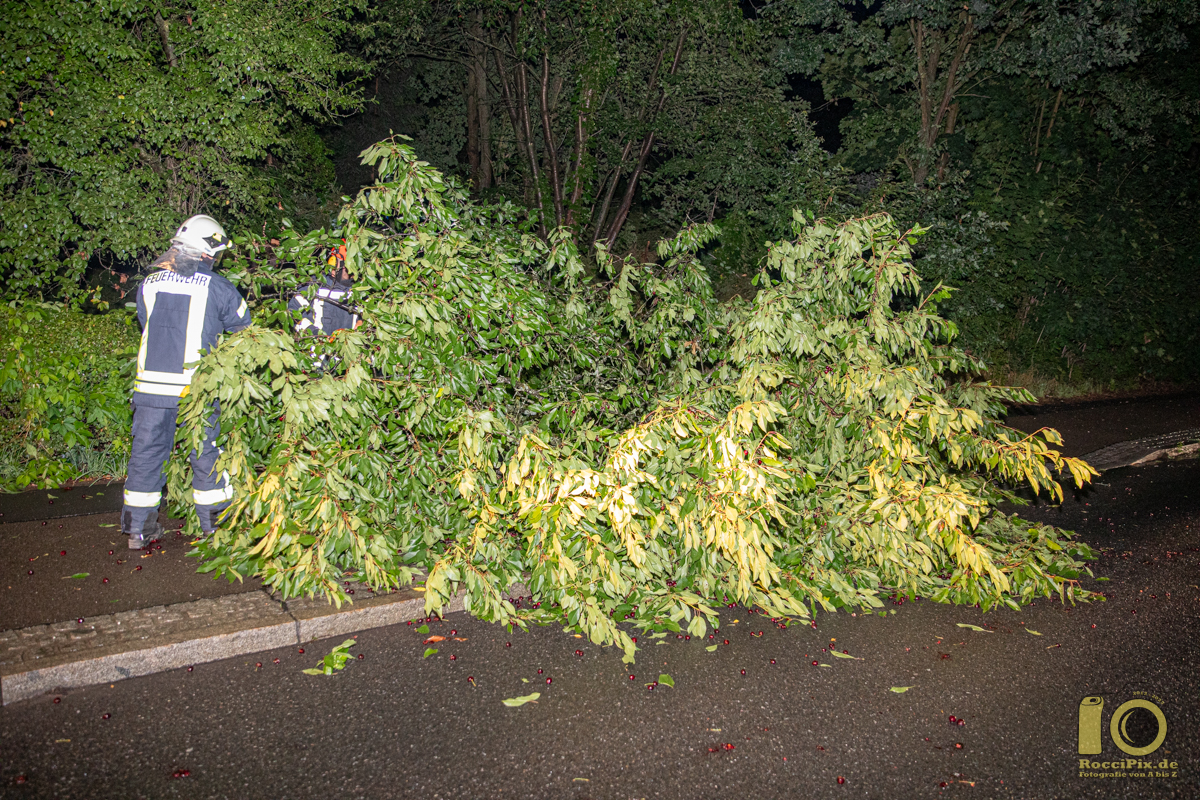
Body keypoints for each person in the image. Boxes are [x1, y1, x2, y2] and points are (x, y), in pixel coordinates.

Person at [120, 215, 252, 549]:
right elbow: (245, 335)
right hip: (197, 391)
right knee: (206, 454)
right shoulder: (219, 288)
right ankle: (215, 529)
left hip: (150, 390)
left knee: (146, 456)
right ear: (207, 252)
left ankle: (138, 531)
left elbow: (146, 322)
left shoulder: (148, 284)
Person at [287, 244, 360, 336]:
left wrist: (361, 322)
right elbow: (293, 312)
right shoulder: (315, 286)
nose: (351, 271)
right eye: (347, 266)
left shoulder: (361, 290)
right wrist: (314, 333)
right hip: (317, 343)